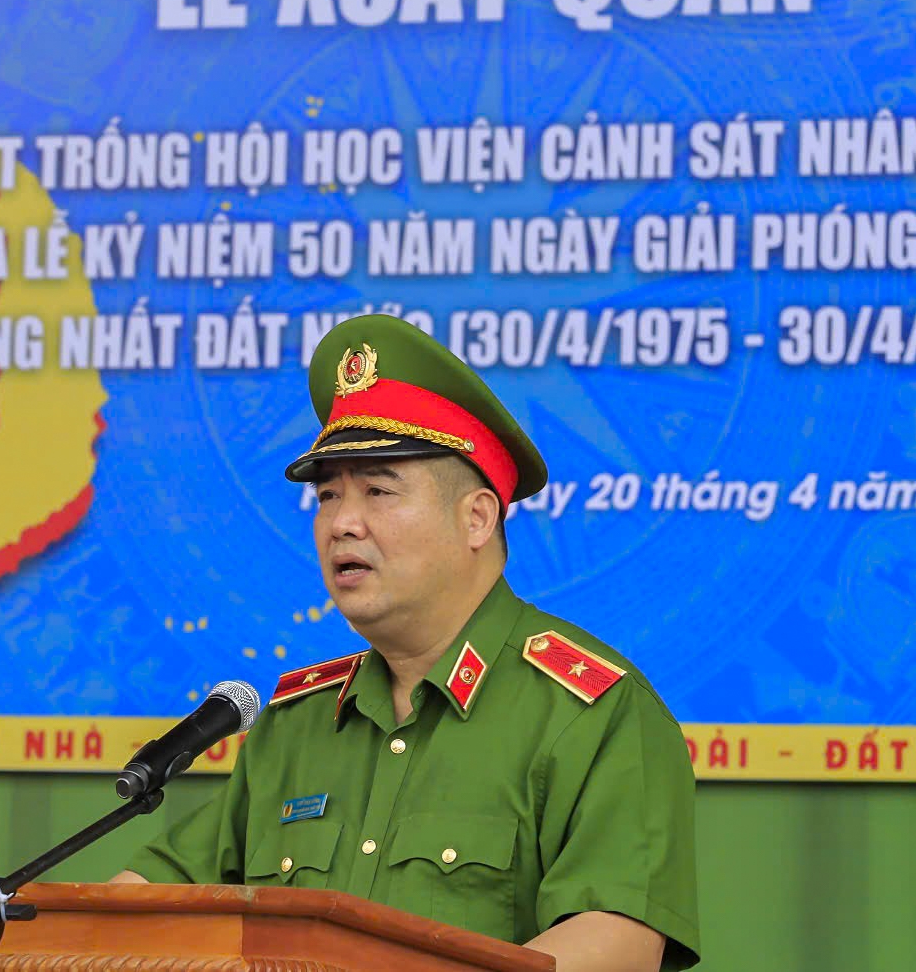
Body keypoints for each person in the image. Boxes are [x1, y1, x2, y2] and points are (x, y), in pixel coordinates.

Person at [113, 313, 700, 971]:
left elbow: (614, 943)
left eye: (378, 490)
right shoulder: (296, 724)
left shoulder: (593, 714)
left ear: (477, 517)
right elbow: (143, 905)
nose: (342, 522)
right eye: (327, 495)